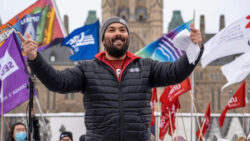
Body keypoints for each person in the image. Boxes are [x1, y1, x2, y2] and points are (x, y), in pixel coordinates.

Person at [19, 16, 203, 141]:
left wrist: (194, 49)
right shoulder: (87, 68)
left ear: (127, 37)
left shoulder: (147, 66)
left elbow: (175, 72)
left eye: (122, 30)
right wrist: (35, 58)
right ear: (104, 38)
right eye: (112, 30)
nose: (118, 33)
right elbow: (57, 82)